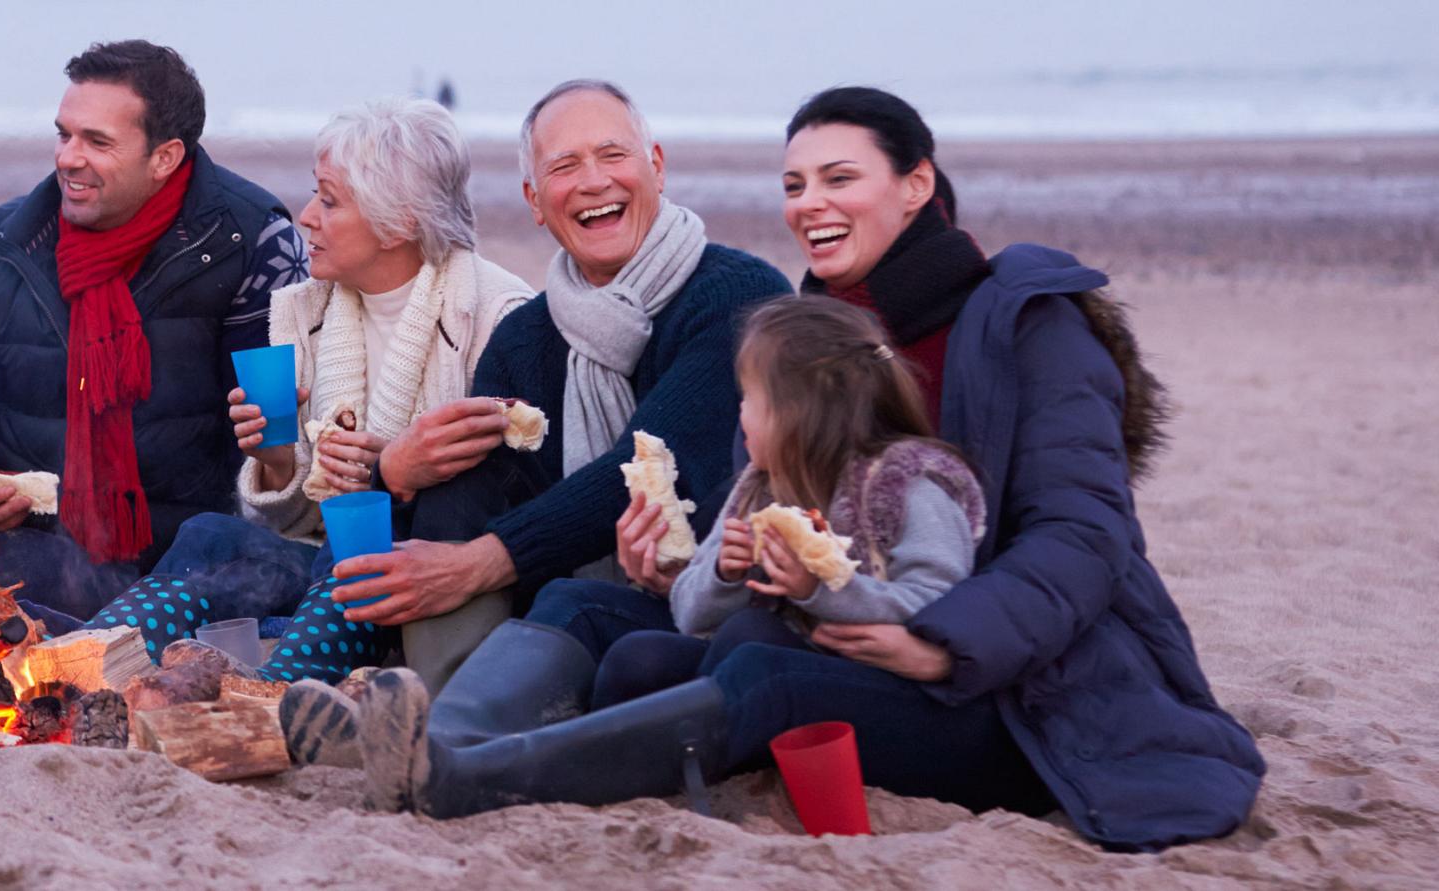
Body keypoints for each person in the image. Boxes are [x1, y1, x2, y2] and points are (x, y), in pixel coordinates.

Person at [297, 86, 1262, 854]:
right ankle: (440, 739)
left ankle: (464, 775)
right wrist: (687, 571)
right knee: (604, 621)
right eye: (795, 185)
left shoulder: (1024, 325)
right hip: (819, 626)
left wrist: (942, 641)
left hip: (1016, 682)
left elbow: (1081, 540)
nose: (811, 205)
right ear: (535, 199)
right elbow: (757, 509)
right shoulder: (814, 337)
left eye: (840, 178)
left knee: (761, 670)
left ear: (917, 185)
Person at [255, 79, 790, 691]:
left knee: (569, 603)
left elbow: (652, 464)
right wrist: (393, 473)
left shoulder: (738, 296)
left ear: (658, 168)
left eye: (613, 155)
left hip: (705, 599)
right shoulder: (526, 336)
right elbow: (488, 489)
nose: (593, 181)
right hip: (547, 600)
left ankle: (448, 727)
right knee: (463, 473)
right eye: (565, 166)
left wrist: (477, 564)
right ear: (535, 202)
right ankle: (428, 696)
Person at [83, 98, 532, 659]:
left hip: (412, 576)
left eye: (330, 200)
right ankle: (85, 657)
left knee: (342, 563)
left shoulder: (495, 315)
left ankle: (273, 689)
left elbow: (502, 500)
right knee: (210, 534)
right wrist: (274, 462)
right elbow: (294, 522)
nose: (306, 216)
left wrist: (388, 471)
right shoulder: (302, 310)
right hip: (312, 560)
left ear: (401, 221)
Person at [0, 40, 305, 621]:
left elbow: (275, 449)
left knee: (263, 571)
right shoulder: (6, 251)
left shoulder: (254, 244)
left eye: (97, 141)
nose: (68, 157)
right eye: (64, 135)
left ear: (164, 157)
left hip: (193, 554)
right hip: (42, 550)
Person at [562, 296, 986, 711]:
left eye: (748, 397)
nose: (739, 411)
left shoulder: (907, 485)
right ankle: (592, 765)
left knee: (751, 636)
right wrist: (724, 573)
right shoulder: (760, 489)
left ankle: (689, 742)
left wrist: (818, 589)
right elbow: (690, 616)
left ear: (798, 413)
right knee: (637, 656)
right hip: (761, 671)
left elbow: (938, 606)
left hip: (873, 685)